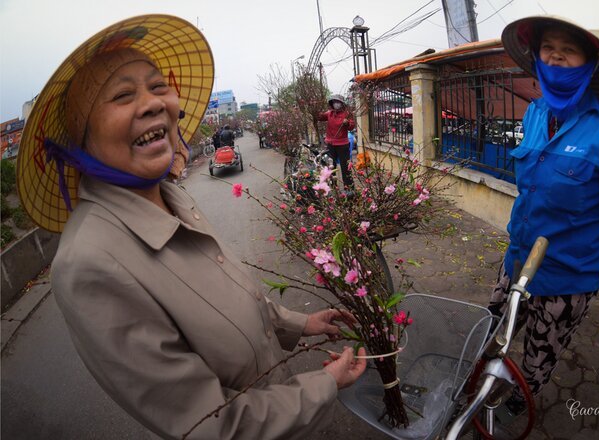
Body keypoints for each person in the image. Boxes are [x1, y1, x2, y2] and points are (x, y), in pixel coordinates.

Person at [16, 15, 366, 440]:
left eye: (158, 85)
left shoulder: (172, 196)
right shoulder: (88, 264)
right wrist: (324, 384)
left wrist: (297, 324)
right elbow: (213, 425)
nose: (152, 103)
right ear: (80, 141)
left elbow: (224, 301)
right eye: (123, 94)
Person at [492, 16, 599, 417]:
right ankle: (480, 384)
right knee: (491, 330)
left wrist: (584, 254)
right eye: (548, 47)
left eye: (569, 49)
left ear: (590, 63)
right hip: (517, 260)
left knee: (540, 352)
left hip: (568, 276)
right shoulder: (535, 114)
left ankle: (518, 403)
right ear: (537, 58)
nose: (556, 55)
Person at [317, 94, 355, 189]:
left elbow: (352, 126)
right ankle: (333, 187)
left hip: (343, 145)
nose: (336, 104)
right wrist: (315, 109)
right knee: (330, 167)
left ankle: (349, 188)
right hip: (331, 144)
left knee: (345, 168)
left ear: (342, 104)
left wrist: (347, 123)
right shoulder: (329, 114)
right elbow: (319, 117)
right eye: (334, 102)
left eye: (338, 102)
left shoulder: (347, 114)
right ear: (332, 104)